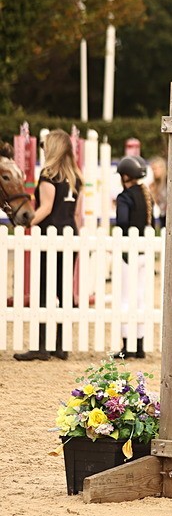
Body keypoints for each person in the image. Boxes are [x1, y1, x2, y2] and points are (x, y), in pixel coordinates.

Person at [15, 130, 84, 361]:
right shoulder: (76, 176)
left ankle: (41, 346)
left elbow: (45, 207)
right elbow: (75, 213)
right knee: (64, 290)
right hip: (70, 234)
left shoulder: (48, 175)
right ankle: (61, 345)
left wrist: (24, 224)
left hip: (49, 236)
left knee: (44, 288)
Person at [112, 156, 152, 360]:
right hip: (144, 252)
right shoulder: (146, 195)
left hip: (128, 253)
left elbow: (122, 221)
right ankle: (140, 344)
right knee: (140, 297)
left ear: (125, 176)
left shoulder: (124, 197)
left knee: (126, 298)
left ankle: (128, 345)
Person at [147, 155, 167, 228]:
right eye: (152, 169)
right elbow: (156, 202)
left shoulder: (168, 182)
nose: (154, 172)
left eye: (155, 169)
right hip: (162, 214)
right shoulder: (155, 184)